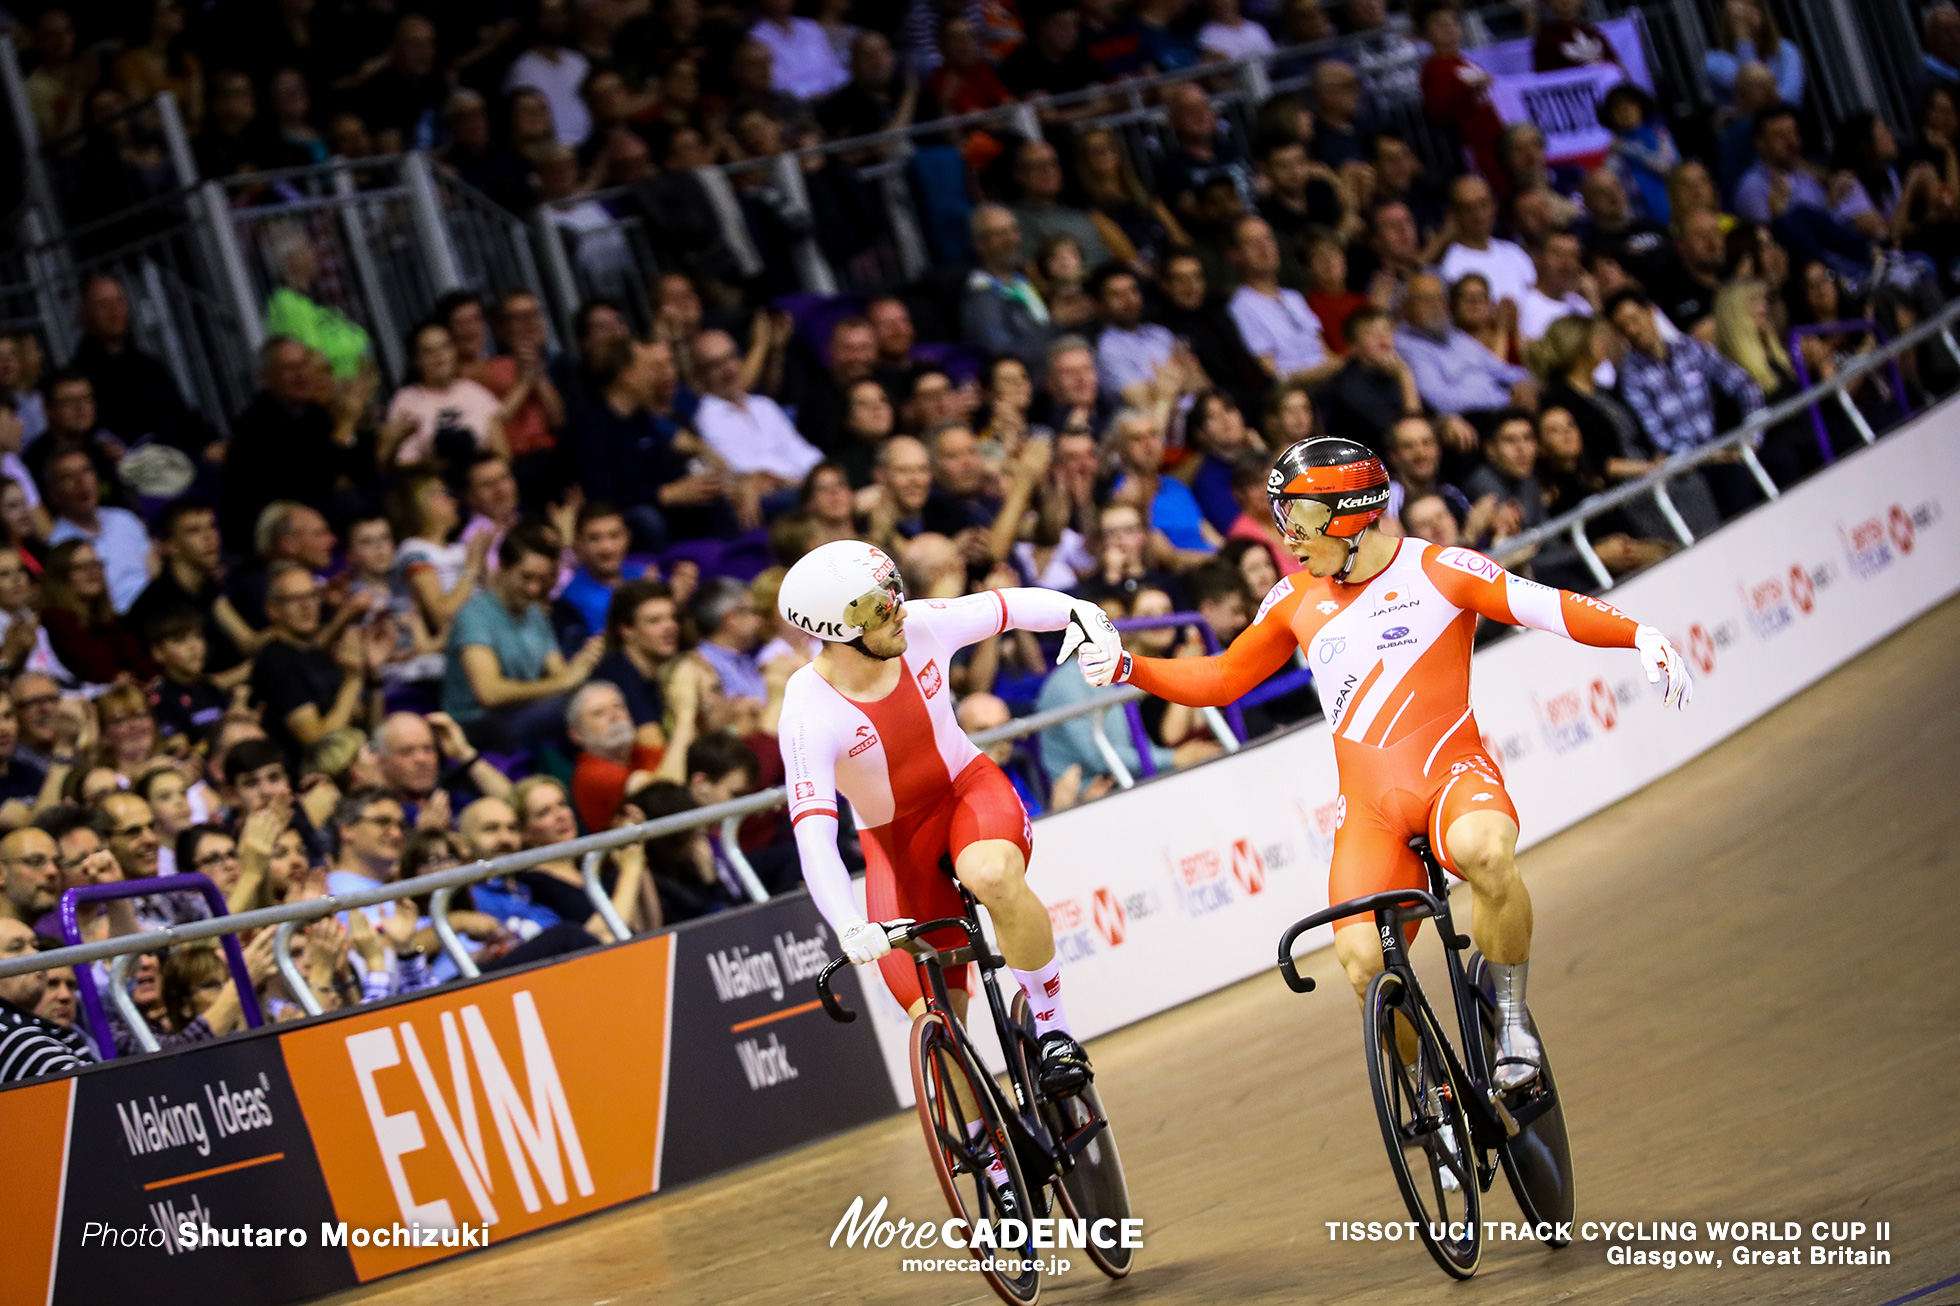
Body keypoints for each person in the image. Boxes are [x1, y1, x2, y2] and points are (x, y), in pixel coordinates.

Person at [1083, 436, 1694, 1095]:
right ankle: (1428, 1096)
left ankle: (1511, 1020)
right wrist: (1128, 665)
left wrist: (1639, 634)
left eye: (1301, 520)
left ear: (1349, 515)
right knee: (1360, 963)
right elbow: (1223, 676)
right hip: (1369, 810)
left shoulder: (1440, 568)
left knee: (1486, 854)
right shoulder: (1294, 598)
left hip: (1451, 777)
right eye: (1281, 518)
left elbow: (1543, 604)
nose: (1287, 538)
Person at [778, 539, 1122, 1097]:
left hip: (967, 793)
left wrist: (1082, 613)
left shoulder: (920, 625)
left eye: (894, 592)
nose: (898, 609)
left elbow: (1006, 607)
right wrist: (848, 925)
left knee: (990, 875)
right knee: (939, 1023)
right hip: (895, 846)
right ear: (837, 628)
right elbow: (813, 834)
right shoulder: (807, 715)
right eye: (877, 605)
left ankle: (1054, 1031)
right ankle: (989, 1161)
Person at [446, 523, 606, 753]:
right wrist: (563, 682)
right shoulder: (474, 615)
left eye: (542, 581)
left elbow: (561, 674)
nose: (534, 589)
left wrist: (585, 662)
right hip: (478, 725)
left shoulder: (534, 613)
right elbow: (489, 692)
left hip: (524, 712)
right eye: (526, 577)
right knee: (576, 709)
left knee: (601, 695)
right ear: (503, 566)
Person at [252, 561, 390, 765]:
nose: (307, 606)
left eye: (311, 596)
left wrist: (373, 677)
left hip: (356, 764)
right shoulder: (274, 663)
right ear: (273, 610)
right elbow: (321, 747)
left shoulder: (319, 654)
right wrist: (353, 679)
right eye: (295, 599)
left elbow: (369, 726)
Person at [126, 500, 256, 677]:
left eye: (212, 526)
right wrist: (252, 670)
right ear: (170, 546)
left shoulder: (207, 587)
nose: (209, 537)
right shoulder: (158, 603)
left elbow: (247, 641)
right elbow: (183, 684)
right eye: (193, 531)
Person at [380, 322, 508, 470]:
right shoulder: (406, 399)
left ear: (454, 351)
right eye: (429, 351)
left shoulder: (473, 390)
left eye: (444, 346)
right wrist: (442, 464)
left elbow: (504, 454)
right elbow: (400, 466)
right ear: (416, 360)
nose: (438, 355)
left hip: (480, 477)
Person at [42, 446, 147, 614]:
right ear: (54, 495)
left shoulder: (124, 518)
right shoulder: (58, 544)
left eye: (86, 471)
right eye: (68, 477)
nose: (80, 481)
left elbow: (153, 566)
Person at [40, 540, 155, 685]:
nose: (92, 572)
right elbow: (96, 670)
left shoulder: (109, 620)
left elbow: (140, 663)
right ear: (61, 577)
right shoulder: (56, 619)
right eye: (80, 567)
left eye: (96, 564)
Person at [963, 205, 1054, 374]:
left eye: (1013, 230)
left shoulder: (1025, 282)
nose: (1011, 239)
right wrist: (1058, 324)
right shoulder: (982, 298)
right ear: (980, 245)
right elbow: (1004, 356)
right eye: (1000, 234)